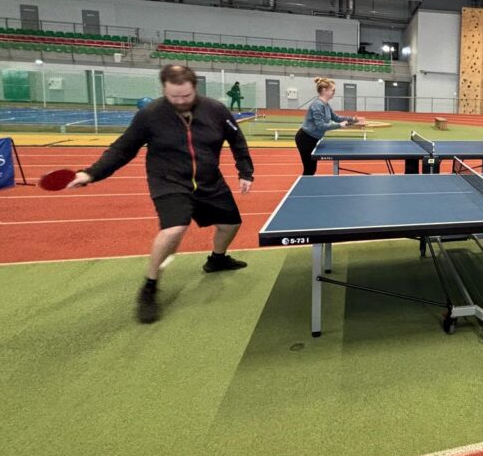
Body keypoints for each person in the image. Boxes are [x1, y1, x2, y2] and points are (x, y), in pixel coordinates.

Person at [67, 65, 254, 324]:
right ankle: (150, 286)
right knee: (174, 228)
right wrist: (91, 173)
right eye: (174, 96)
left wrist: (245, 171)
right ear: (164, 90)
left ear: (195, 88)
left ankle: (217, 260)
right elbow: (122, 149)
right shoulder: (150, 115)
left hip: (209, 180)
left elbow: (237, 141)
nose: (180, 101)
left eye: (186, 96)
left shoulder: (216, 110)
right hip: (168, 181)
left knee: (231, 224)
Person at [295, 77, 364, 175]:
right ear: (324, 90)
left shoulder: (326, 105)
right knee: (309, 169)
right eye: (333, 90)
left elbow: (336, 118)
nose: (334, 92)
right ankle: (304, 184)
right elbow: (320, 125)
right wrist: (339, 125)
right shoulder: (317, 105)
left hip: (314, 139)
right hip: (305, 139)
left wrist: (352, 119)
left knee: (311, 169)